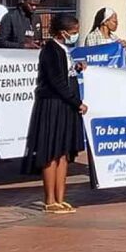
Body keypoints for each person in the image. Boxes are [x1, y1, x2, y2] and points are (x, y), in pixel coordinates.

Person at [23, 13, 87, 213]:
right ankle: (50, 200)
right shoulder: (50, 50)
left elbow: (65, 74)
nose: (75, 35)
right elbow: (56, 81)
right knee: (51, 152)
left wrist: (77, 68)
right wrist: (77, 102)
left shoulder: (64, 50)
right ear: (62, 32)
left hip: (65, 107)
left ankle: (60, 198)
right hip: (53, 105)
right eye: (73, 32)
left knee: (63, 153)